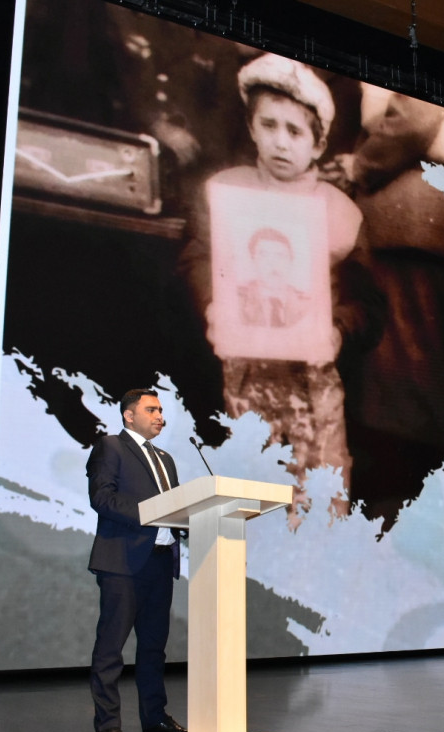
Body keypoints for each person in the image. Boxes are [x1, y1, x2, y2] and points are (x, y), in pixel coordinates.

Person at [177, 53, 379, 525]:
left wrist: (338, 330)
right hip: (243, 381)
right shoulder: (226, 194)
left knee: (317, 495)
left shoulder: (340, 211)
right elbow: (197, 258)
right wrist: (212, 304)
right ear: (251, 128)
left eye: (295, 131)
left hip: (313, 389)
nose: (280, 142)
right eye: (269, 125)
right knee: (247, 488)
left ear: (318, 144)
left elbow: (368, 302)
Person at [343, 89, 444, 534]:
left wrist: (360, 166)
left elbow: (418, 113)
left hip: (418, 216)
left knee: (408, 380)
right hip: (426, 221)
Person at [86, 389, 186, 732]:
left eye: (161, 410)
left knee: (154, 648)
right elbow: (102, 497)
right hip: (123, 562)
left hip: (160, 562)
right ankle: (108, 726)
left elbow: (177, 506)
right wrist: (152, 512)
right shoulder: (111, 446)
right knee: (111, 649)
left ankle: (154, 717)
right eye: (152, 409)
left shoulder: (166, 459)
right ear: (129, 415)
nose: (160, 416)